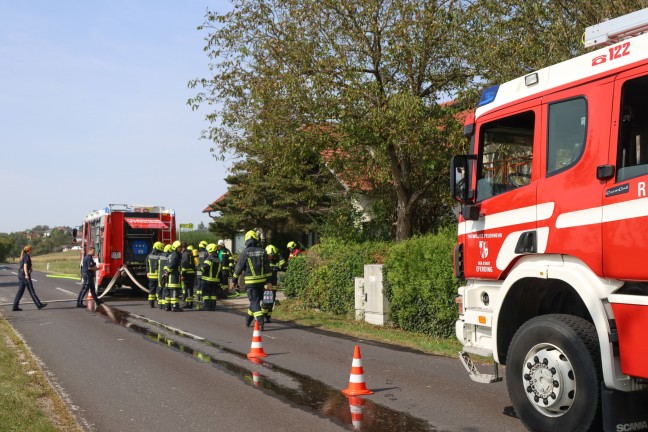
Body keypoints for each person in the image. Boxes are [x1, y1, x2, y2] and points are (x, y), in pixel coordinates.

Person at [233, 230, 271, 329]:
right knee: (255, 301)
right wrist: (269, 281)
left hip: (251, 282)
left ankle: (260, 322)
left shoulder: (245, 252)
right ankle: (248, 320)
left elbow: (239, 268)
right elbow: (267, 267)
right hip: (261, 282)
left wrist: (234, 280)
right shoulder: (262, 251)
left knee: (254, 302)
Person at [13, 245, 47, 311]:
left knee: (20, 291)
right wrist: (26, 275)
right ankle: (39, 304)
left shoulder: (24, 256)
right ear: (29, 250)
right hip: (24, 275)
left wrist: (30, 269)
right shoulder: (26, 256)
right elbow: (25, 266)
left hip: (20, 274)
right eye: (31, 249)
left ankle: (15, 306)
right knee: (31, 290)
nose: (32, 250)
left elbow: (24, 266)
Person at [262, 244, 286, 323]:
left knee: (271, 302)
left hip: (274, 285)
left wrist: (278, 254)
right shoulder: (264, 262)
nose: (271, 257)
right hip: (267, 285)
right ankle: (263, 316)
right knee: (266, 302)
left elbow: (283, 263)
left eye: (272, 255)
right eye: (269, 255)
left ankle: (268, 317)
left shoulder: (276, 261)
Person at [199, 243, 221, 311]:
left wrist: (200, 269)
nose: (208, 253)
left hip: (206, 279)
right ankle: (213, 306)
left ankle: (206, 306)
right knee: (213, 294)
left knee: (206, 293)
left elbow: (205, 267)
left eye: (208, 251)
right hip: (215, 280)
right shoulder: (218, 259)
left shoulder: (209, 258)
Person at [163, 240, 183, 312]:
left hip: (169, 277)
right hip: (174, 276)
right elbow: (172, 265)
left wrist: (166, 272)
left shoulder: (170, 254)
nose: (180, 248)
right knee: (174, 291)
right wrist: (169, 271)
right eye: (179, 247)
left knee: (168, 292)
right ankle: (175, 307)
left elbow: (167, 265)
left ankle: (167, 306)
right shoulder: (176, 255)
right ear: (175, 248)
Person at [146, 241, 164, 308]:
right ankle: (159, 303)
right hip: (159, 276)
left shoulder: (149, 256)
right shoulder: (161, 255)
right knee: (158, 290)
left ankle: (151, 303)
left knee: (151, 290)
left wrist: (147, 271)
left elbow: (147, 265)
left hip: (151, 276)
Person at [181, 243, 196, 309]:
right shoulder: (189, 252)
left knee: (188, 289)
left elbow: (185, 264)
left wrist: (183, 274)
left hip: (187, 274)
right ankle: (189, 303)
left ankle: (189, 304)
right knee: (189, 289)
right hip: (191, 273)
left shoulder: (185, 254)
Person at [157, 244, 172, 309]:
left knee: (160, 289)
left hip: (160, 275)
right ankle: (164, 304)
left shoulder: (160, 256)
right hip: (165, 275)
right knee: (165, 290)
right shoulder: (168, 256)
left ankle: (160, 304)